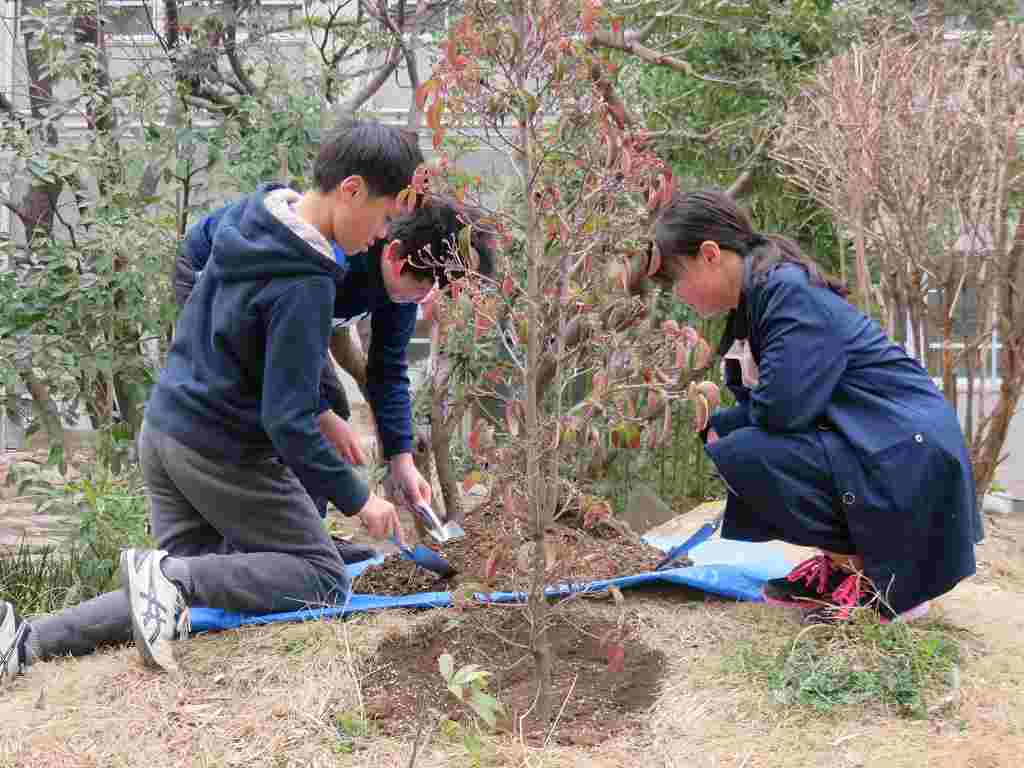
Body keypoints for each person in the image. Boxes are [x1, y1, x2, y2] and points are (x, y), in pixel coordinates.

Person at [1, 121, 489, 683]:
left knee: (201, 580)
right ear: (351, 190)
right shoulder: (310, 282)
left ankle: (25, 641)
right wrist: (359, 500)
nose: (381, 234)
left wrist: (377, 445)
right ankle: (170, 579)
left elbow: (248, 349)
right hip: (219, 448)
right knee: (319, 577)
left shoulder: (252, 221)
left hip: (166, 431)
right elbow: (288, 419)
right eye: (382, 219)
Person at [647, 188, 983, 623]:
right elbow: (774, 402)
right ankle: (842, 563)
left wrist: (734, 421)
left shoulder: (788, 292)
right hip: (882, 440)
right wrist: (723, 423)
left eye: (678, 278)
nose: (679, 294)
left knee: (745, 448)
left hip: (910, 450)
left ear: (710, 254)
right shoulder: (757, 301)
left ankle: (885, 585)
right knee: (727, 435)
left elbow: (782, 411)